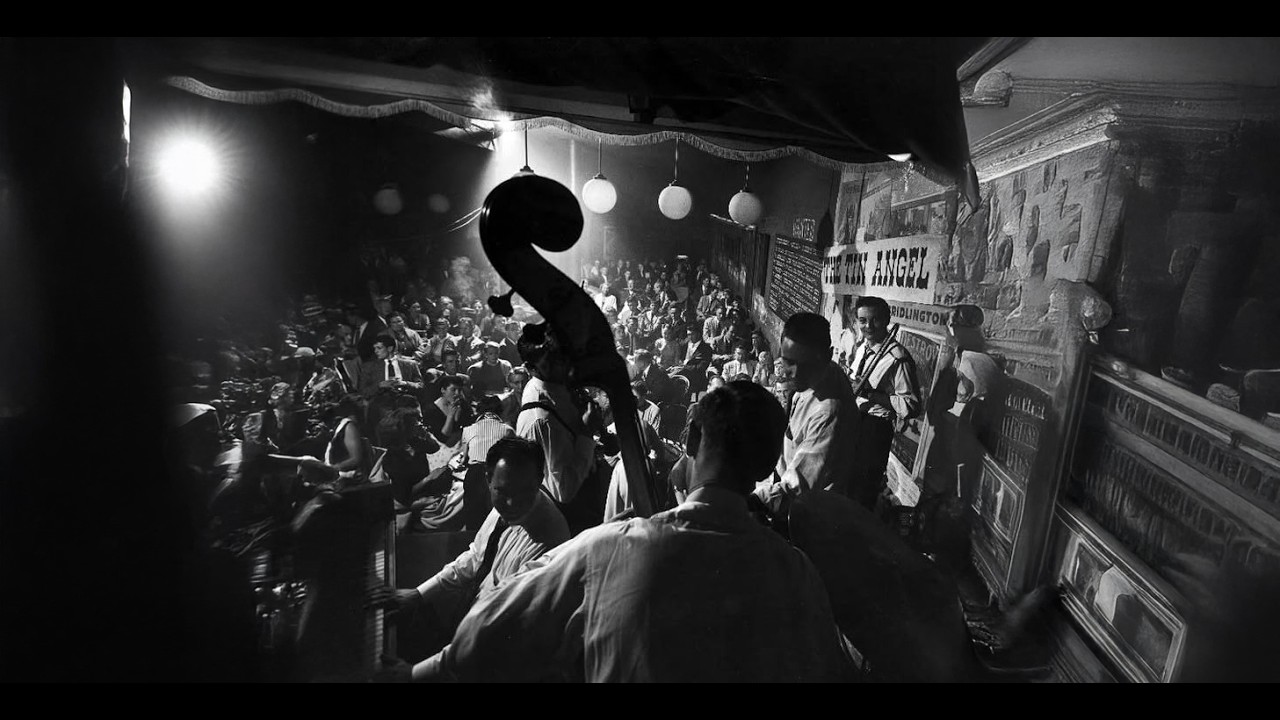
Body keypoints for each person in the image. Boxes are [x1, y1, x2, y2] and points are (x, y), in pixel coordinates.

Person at [399, 381, 853, 682]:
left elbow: (485, 630)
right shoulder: (799, 574)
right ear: (766, 465)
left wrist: (412, 675)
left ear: (692, 439)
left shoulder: (610, 547)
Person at [371, 437, 570, 667]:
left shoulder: (549, 541)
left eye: (524, 491)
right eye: (501, 491)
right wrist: (419, 593)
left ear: (540, 480)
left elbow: (498, 622)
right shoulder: (510, 504)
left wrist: (417, 673)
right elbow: (476, 557)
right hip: (473, 616)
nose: (512, 502)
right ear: (488, 480)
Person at [752, 312, 857, 518]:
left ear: (828, 355)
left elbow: (796, 487)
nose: (795, 373)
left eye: (806, 365)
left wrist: (752, 502)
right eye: (788, 361)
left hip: (805, 513)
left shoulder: (829, 410)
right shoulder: (821, 373)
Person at [515, 322, 602, 534]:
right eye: (551, 361)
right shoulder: (540, 418)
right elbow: (564, 490)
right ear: (530, 368)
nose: (562, 363)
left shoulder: (558, 385)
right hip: (568, 521)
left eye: (561, 354)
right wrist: (586, 432)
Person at [846, 296, 921, 511]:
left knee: (863, 492)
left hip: (875, 429)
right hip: (854, 420)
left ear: (887, 320)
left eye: (875, 320)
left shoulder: (898, 358)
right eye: (863, 320)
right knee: (847, 482)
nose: (868, 326)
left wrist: (871, 394)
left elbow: (911, 405)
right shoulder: (862, 348)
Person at [359, 334, 424, 399]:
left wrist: (405, 383)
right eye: (374, 348)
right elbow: (363, 391)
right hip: (381, 401)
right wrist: (379, 386)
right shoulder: (369, 367)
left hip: (404, 400)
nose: (375, 351)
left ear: (390, 348)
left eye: (379, 348)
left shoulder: (410, 364)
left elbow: (421, 386)